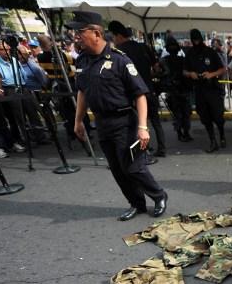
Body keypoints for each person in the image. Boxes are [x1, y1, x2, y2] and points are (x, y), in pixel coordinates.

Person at [68, 11, 167, 221]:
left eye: (79, 32)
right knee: (117, 170)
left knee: (132, 166)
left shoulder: (120, 59)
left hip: (124, 122)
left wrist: (143, 127)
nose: (76, 36)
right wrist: (78, 121)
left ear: (95, 33)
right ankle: (137, 204)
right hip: (102, 123)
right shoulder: (83, 61)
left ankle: (159, 195)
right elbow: (82, 92)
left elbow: (140, 94)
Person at [108, 21, 166, 157]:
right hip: (149, 88)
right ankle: (162, 148)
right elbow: (156, 68)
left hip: (132, 92)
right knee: (156, 121)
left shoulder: (119, 52)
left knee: (139, 123)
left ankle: (145, 149)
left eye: (113, 37)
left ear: (118, 36)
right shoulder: (144, 47)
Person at [184, 28, 227, 153]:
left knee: (218, 116)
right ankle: (213, 141)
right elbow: (184, 71)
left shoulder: (210, 52)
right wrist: (190, 74)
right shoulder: (190, 53)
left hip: (212, 89)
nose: (196, 42)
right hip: (199, 90)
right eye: (194, 40)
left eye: (198, 39)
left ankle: (222, 135)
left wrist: (211, 74)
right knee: (205, 117)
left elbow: (222, 69)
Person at [159, 36, 193, 142]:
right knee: (179, 113)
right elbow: (163, 74)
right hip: (174, 91)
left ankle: (184, 133)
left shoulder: (181, 60)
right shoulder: (164, 61)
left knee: (184, 113)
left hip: (181, 90)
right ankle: (181, 133)